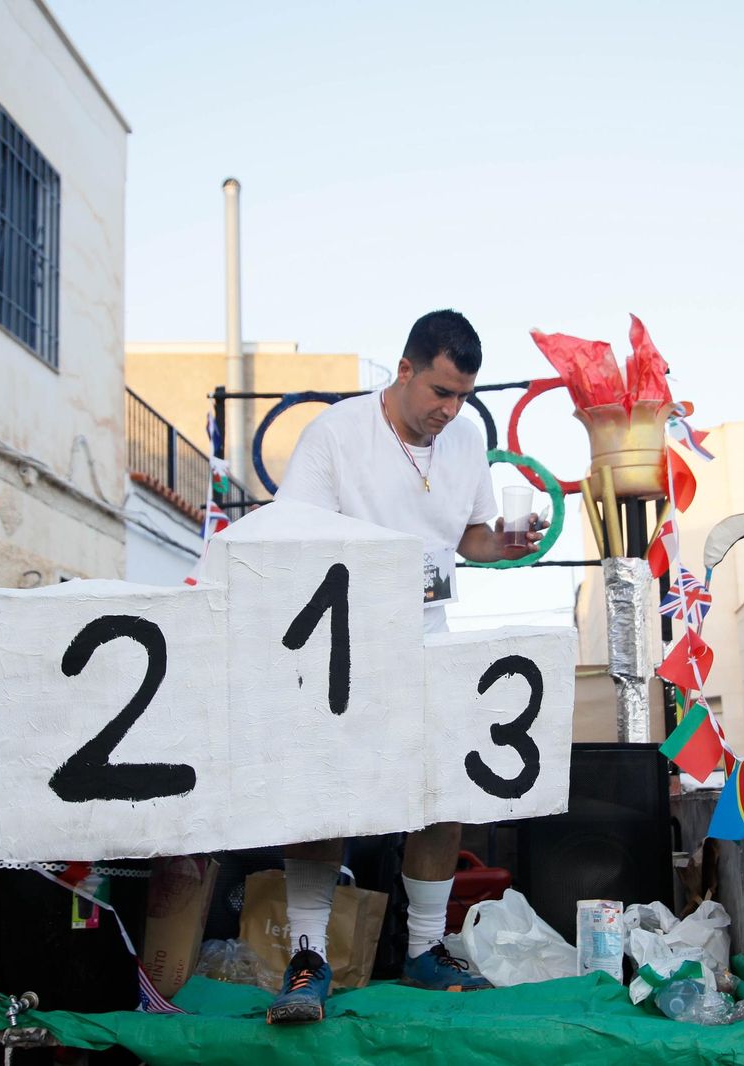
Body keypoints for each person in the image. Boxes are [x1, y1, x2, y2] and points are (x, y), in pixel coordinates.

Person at [265, 308, 543, 1023]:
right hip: (340, 638)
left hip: (429, 636)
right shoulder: (336, 434)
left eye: (463, 397)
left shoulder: (467, 439)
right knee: (327, 793)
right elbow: (292, 534)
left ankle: (425, 950)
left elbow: (469, 537)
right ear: (405, 370)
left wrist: (505, 544)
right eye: (440, 393)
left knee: (442, 791)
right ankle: (308, 956)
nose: (451, 411)